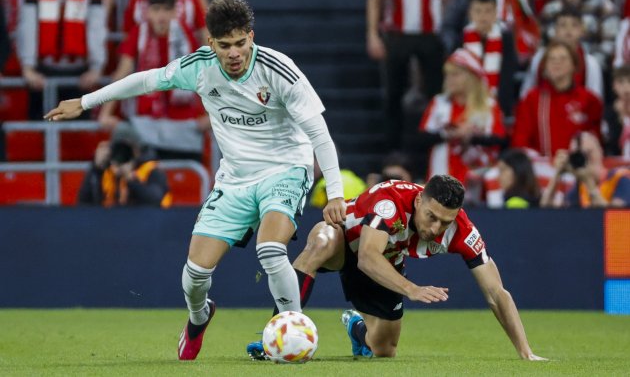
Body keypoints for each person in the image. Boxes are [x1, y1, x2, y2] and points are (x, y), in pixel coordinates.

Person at [44, 0, 346, 361]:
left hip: (285, 169)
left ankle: (290, 331)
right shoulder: (200, 68)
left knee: (270, 249)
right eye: (224, 45)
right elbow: (146, 81)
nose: (234, 53)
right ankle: (199, 317)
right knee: (195, 275)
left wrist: (335, 194)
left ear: (251, 36)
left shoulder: (279, 70)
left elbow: (320, 135)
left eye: (240, 43)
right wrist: (86, 101)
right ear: (210, 43)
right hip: (234, 179)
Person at [247, 175, 547, 361]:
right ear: (419, 201)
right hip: (345, 241)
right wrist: (412, 289)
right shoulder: (390, 202)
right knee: (321, 242)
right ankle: (273, 338)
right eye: (431, 216)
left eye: (446, 221)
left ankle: (358, 329)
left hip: (386, 263)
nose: (436, 228)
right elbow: (365, 256)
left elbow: (496, 293)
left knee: (385, 349)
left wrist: (525, 351)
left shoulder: (461, 231)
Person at [98, 0, 207, 161]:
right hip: (146, 126)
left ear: (174, 12)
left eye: (166, 10)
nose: (161, 16)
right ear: (147, 12)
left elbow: (203, 75)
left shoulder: (185, 36)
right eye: (156, 10)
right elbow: (122, 74)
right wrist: (105, 113)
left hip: (182, 125)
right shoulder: (139, 33)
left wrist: (211, 115)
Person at [366, 0, 460, 150]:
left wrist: (454, 7)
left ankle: (434, 149)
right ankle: (394, 152)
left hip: (431, 33)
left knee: (437, 95)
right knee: (393, 95)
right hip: (397, 33)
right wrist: (372, 34)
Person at [17, 0, 106, 119]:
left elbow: (96, 21)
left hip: (79, 73)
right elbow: (28, 20)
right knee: (40, 130)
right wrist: (28, 66)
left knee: (78, 134)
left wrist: (96, 66)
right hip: (43, 71)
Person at [418, 48, 507, 184]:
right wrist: (449, 134)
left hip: (478, 180)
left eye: (455, 75)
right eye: (447, 75)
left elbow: (499, 139)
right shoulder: (438, 103)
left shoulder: (489, 105)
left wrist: (471, 136)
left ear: (470, 77)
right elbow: (421, 138)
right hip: (440, 177)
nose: (449, 80)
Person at [512, 41, 602, 157]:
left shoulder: (590, 100)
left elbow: (596, 141)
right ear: (545, 67)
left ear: (574, 65)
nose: (556, 63)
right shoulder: (532, 99)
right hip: (544, 169)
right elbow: (520, 142)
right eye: (551, 59)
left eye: (563, 59)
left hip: (579, 169)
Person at [539, 0, 619, 68]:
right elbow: (542, 44)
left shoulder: (601, 3)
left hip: (595, 68)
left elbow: (611, 42)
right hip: (556, 68)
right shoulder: (550, 9)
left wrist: (588, 65)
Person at [459, 0, 518, 116]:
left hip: (498, 105)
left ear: (495, 13)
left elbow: (507, 76)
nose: (483, 16)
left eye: (488, 11)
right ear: (470, 13)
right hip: (468, 104)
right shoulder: (461, 39)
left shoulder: (506, 39)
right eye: (478, 11)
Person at [78, 123, 172, 207]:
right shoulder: (104, 169)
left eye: (127, 150)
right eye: (119, 149)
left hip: (142, 222)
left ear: (137, 150)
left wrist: (132, 180)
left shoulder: (150, 169)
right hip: (108, 221)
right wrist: (96, 170)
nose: (122, 154)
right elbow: (84, 204)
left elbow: (156, 201)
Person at [520, 5, 603, 100]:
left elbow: (595, 98)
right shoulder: (539, 58)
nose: (568, 30)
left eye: (574, 25)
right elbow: (526, 92)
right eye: (563, 25)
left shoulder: (591, 63)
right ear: (555, 30)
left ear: (582, 31)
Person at [540, 131, 630, 207]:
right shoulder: (580, 187)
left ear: (600, 151)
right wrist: (557, 175)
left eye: (588, 153)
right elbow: (546, 215)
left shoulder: (621, 178)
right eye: (578, 155)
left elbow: (615, 219)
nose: (585, 159)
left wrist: (589, 184)